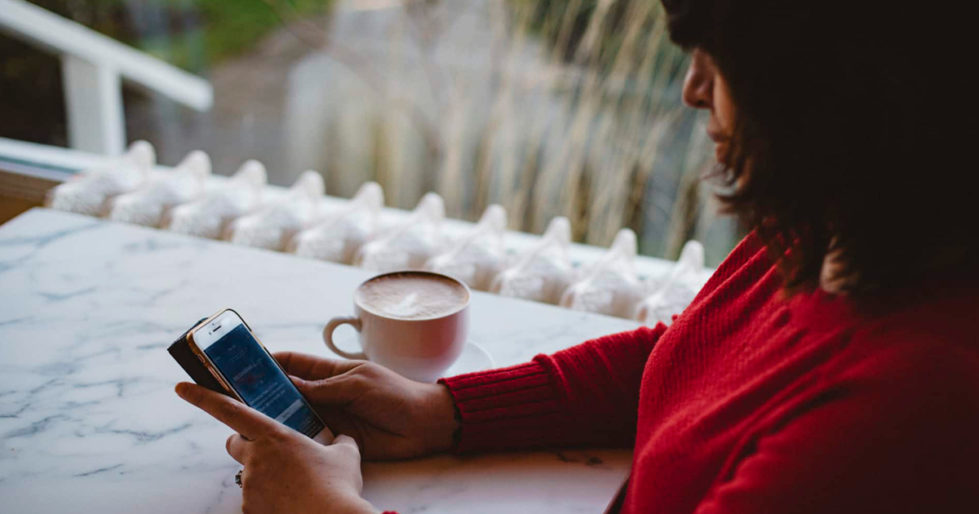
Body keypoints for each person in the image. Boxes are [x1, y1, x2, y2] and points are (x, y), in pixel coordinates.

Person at [176, 0, 978, 512]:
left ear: (831, 96)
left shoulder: (914, 409)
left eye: (718, 61)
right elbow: (701, 355)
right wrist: (449, 411)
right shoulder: (831, 230)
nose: (693, 90)